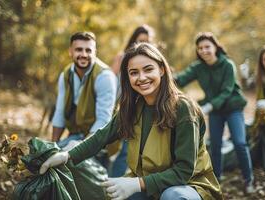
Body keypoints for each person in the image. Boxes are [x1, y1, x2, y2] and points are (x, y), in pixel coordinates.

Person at [40, 43, 223, 200]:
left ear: (161, 69)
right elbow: (100, 138)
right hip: (147, 185)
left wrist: (138, 183)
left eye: (148, 69)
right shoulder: (132, 107)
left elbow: (183, 171)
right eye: (134, 73)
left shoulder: (183, 108)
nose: (141, 78)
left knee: (172, 196)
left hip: (189, 186)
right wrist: (67, 156)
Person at [174, 32, 254, 193]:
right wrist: (163, 74)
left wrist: (208, 106)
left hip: (233, 108)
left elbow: (226, 91)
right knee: (215, 145)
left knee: (239, 143)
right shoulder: (198, 67)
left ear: (215, 47)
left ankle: (248, 179)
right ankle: (217, 177)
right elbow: (180, 79)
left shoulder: (228, 65)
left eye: (207, 47)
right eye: (200, 48)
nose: (204, 50)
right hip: (216, 111)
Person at [51, 31, 117, 151]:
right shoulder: (65, 75)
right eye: (79, 50)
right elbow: (60, 112)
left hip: (101, 140)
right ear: (70, 51)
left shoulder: (104, 76)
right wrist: (52, 146)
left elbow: (103, 121)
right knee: (49, 157)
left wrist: (81, 150)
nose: (84, 54)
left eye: (88, 50)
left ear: (95, 53)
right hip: (76, 135)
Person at [109, 24, 155, 177]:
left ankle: (121, 182)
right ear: (133, 40)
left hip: (139, 109)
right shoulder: (122, 57)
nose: (143, 44)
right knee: (113, 147)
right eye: (140, 40)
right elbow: (110, 82)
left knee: (128, 149)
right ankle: (110, 183)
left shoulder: (150, 61)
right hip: (120, 107)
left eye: (147, 42)